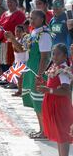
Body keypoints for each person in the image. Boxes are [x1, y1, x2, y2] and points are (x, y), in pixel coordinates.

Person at [38, 43, 73, 156]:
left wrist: (48, 90)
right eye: (53, 53)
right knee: (59, 134)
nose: (55, 56)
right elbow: (53, 85)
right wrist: (44, 84)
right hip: (54, 104)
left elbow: (66, 90)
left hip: (61, 106)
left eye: (58, 54)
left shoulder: (63, 71)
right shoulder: (55, 68)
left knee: (63, 135)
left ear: (65, 56)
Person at [23, 10, 52, 139]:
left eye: (34, 18)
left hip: (38, 72)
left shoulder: (44, 35)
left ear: (42, 19)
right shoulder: (34, 32)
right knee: (35, 101)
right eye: (31, 18)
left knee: (40, 103)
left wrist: (39, 75)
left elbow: (45, 57)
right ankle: (42, 129)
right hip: (31, 70)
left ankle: (45, 131)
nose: (32, 21)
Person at [0, 0, 26, 82]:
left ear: (16, 3)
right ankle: (4, 77)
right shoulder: (5, 14)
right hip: (1, 41)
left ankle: (11, 79)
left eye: (11, 2)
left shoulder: (20, 14)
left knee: (10, 61)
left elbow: (21, 28)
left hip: (12, 41)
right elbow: (0, 26)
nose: (9, 4)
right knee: (2, 61)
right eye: (8, 2)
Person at [5, 25, 29, 96]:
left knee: (21, 78)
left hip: (23, 60)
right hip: (17, 60)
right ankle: (19, 91)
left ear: (23, 32)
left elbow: (20, 50)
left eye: (19, 31)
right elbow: (15, 52)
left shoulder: (24, 40)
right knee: (18, 78)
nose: (17, 32)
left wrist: (12, 39)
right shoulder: (16, 39)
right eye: (16, 31)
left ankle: (21, 91)